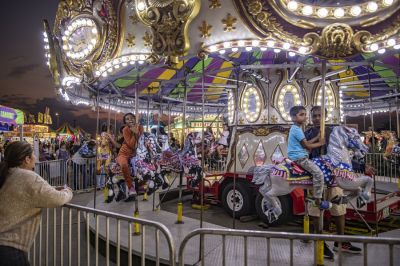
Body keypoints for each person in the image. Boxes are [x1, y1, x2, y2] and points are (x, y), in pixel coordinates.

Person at [0, 141, 73, 266]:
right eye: (33, 153)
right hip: (10, 249)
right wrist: (68, 191)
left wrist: (53, 188)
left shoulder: (7, 174)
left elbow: (30, 192)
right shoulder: (28, 177)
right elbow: (58, 199)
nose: (35, 157)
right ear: (27, 159)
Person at [305, 106, 362, 258]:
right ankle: (320, 243)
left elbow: (343, 156)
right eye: (314, 116)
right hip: (315, 178)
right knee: (316, 210)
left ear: (325, 116)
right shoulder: (308, 134)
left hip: (333, 176)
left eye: (320, 115)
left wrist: (360, 166)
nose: (317, 118)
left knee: (339, 208)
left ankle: (340, 241)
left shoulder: (334, 132)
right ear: (311, 117)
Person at [288, 106, 325, 206]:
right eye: (301, 115)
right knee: (318, 173)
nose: (305, 117)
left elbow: (306, 142)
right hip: (300, 158)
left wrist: (317, 137)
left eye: (305, 114)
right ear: (293, 117)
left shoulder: (296, 129)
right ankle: (318, 198)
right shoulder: (297, 130)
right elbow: (307, 145)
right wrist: (320, 143)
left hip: (298, 156)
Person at [116, 113, 143, 201]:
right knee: (124, 165)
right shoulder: (125, 129)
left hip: (136, 154)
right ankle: (131, 188)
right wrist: (135, 133)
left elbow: (141, 140)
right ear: (125, 122)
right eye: (127, 119)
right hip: (123, 153)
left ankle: (141, 185)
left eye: (132, 118)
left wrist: (137, 132)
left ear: (135, 119)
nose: (130, 120)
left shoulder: (140, 127)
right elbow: (131, 145)